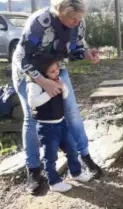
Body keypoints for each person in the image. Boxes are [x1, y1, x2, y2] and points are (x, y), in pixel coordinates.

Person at [12, 0, 102, 195]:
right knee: (32, 118)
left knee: (71, 113)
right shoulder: (39, 22)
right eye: (71, 18)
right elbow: (22, 58)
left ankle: (84, 157)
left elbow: (76, 48)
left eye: (78, 18)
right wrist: (42, 82)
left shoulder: (78, 22)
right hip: (29, 73)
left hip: (56, 70)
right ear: (57, 12)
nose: (75, 22)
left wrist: (87, 53)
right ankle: (34, 171)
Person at [27, 53, 93, 192]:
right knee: (50, 156)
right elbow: (33, 102)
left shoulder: (58, 79)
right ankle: (54, 182)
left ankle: (76, 172)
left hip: (62, 123)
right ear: (41, 72)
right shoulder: (35, 85)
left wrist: (63, 87)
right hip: (47, 127)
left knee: (72, 149)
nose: (56, 72)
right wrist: (49, 92)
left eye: (57, 69)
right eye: (52, 71)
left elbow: (65, 95)